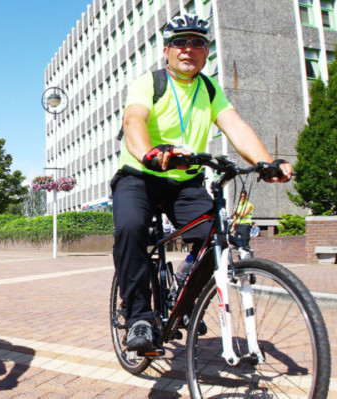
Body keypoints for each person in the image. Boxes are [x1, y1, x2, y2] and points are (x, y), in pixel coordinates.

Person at [111, 13, 293, 352]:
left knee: (216, 236)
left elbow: (235, 126)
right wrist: (148, 153)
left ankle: (185, 286)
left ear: (206, 52)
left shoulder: (209, 89)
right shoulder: (149, 83)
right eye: (180, 42)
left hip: (185, 182)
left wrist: (266, 162)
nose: (188, 49)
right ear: (166, 50)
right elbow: (134, 119)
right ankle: (138, 317)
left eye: (198, 43)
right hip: (140, 175)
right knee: (131, 228)